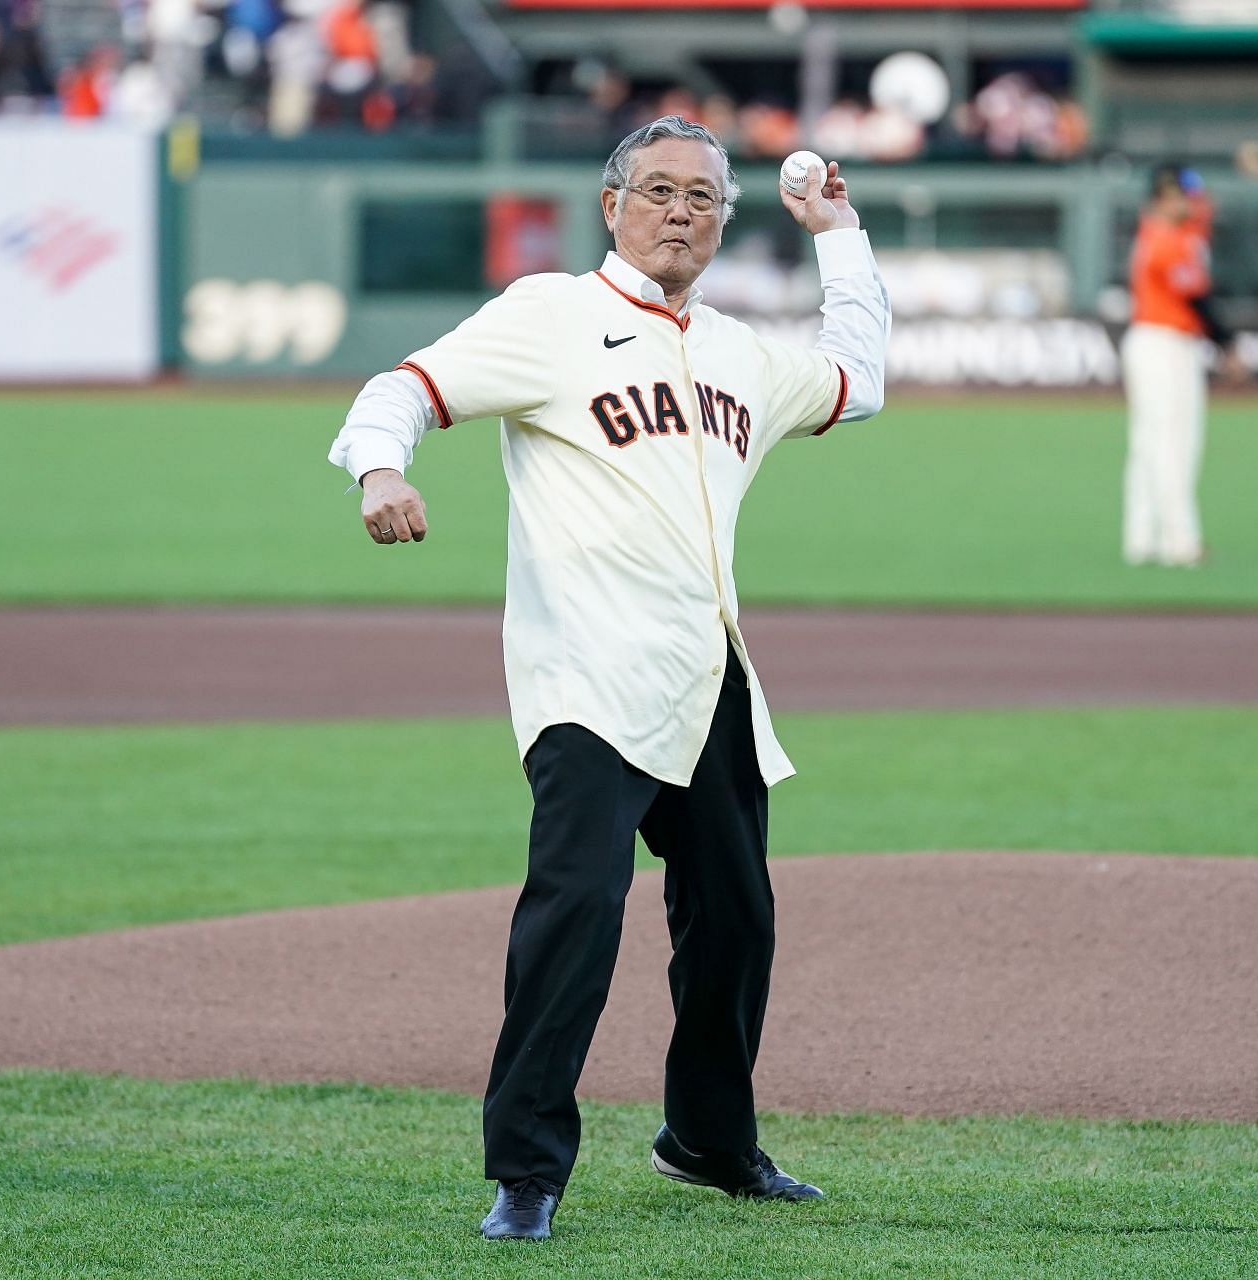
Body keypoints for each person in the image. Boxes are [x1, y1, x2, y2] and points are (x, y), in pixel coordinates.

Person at [324, 117, 889, 1242]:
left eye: (703, 197)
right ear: (612, 203)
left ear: (726, 222)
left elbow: (857, 380)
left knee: (737, 920)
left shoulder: (738, 351)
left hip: (709, 675)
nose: (680, 209)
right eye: (659, 189)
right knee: (576, 911)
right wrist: (380, 468)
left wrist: (841, 233)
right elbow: (402, 388)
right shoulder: (551, 315)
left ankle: (709, 1141)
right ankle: (526, 1168)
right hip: (585, 671)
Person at [1121, 166, 1227, 568]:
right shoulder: (1166, 240)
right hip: (1164, 342)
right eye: (1179, 195)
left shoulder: (1167, 233)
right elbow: (1196, 296)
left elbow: (1202, 216)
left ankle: (1141, 539)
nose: (1188, 202)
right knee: (1173, 443)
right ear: (1162, 199)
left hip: (1158, 340)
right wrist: (1227, 344)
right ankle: (1179, 541)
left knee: (1149, 443)